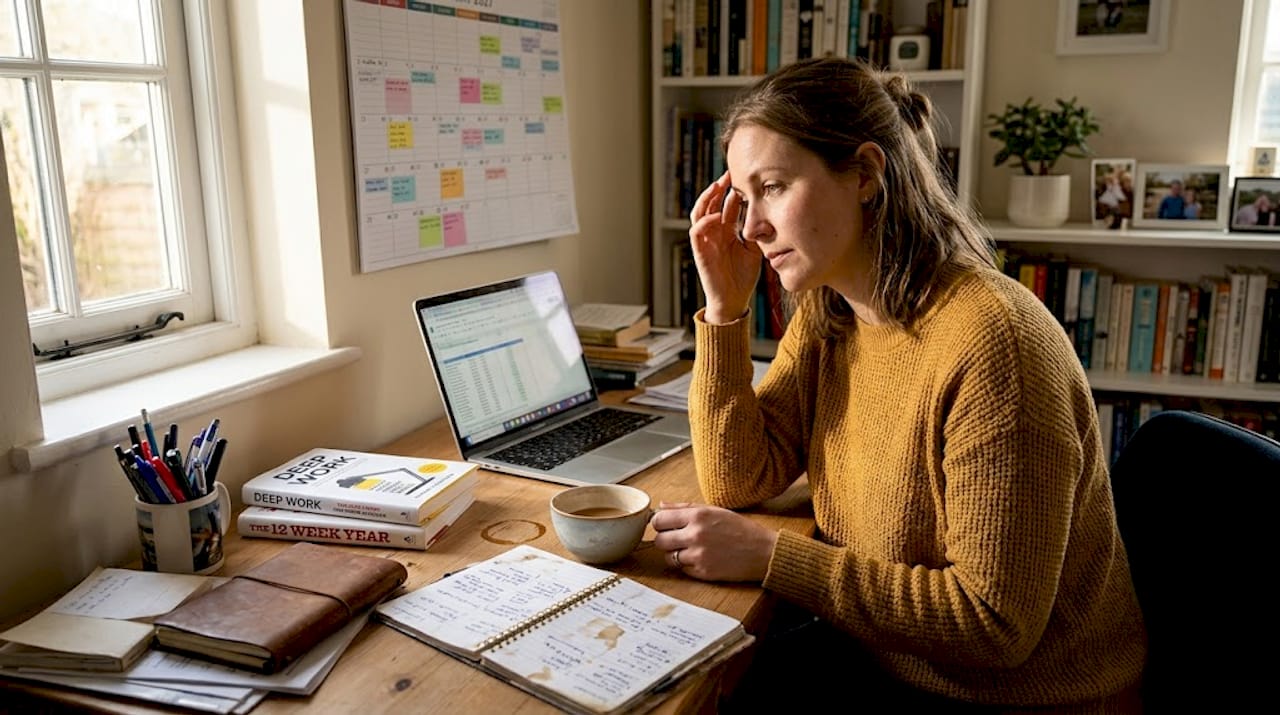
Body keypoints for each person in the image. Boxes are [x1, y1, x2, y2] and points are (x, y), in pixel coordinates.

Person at [654, 57, 1146, 711]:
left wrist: (772, 556)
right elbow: (738, 477)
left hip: (1017, 696)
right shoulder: (833, 310)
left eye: (772, 187)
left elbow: (993, 625)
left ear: (864, 173)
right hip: (885, 652)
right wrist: (724, 311)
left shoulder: (995, 345)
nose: (750, 228)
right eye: (743, 199)